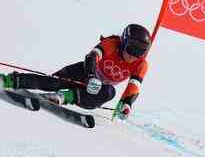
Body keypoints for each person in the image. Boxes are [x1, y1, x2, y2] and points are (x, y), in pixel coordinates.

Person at [0, 24, 151, 120]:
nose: (133, 56)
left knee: (109, 92)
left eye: (139, 52)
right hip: (86, 72)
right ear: (123, 42)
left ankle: (63, 97)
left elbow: (133, 87)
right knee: (53, 82)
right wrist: (92, 75)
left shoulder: (141, 64)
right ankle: (8, 80)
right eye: (131, 49)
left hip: (95, 93)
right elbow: (92, 57)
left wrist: (126, 105)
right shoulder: (112, 44)